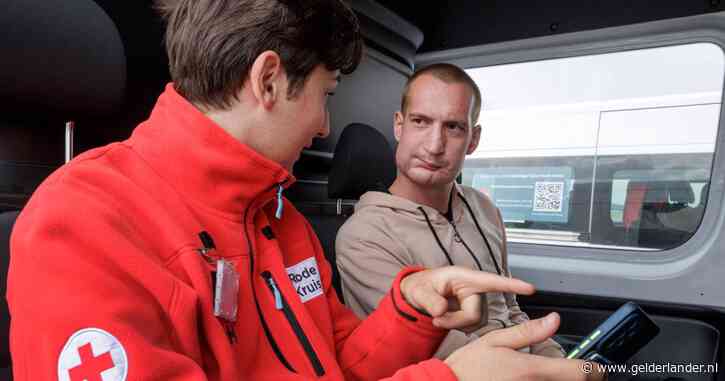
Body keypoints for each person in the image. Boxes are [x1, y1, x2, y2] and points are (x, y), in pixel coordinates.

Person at [7, 1, 601, 380]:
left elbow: (339, 361)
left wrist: (410, 309)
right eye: (327, 94)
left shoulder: (277, 215)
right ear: (269, 80)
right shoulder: (83, 221)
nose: (323, 125)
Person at [336, 63, 566, 359]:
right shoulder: (364, 236)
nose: (434, 146)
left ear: (473, 139)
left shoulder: (484, 209)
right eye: (420, 121)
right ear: (398, 125)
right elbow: (440, 351)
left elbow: (510, 311)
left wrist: (558, 358)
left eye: (453, 127)